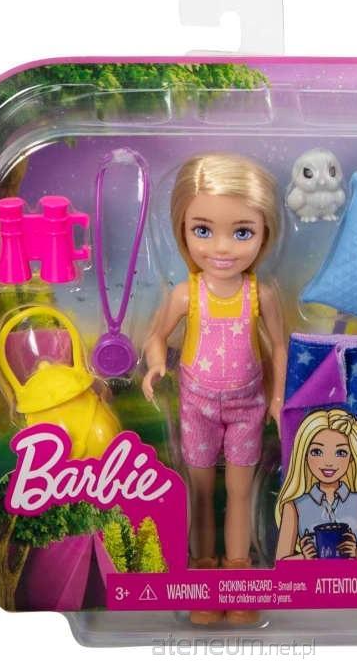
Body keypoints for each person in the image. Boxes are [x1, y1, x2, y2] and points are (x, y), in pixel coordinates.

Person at [142, 153, 286, 624]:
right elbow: (156, 336)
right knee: (200, 491)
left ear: (264, 233)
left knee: (241, 492)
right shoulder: (187, 293)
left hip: (248, 406)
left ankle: (238, 577)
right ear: (182, 230)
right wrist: (156, 365)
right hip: (197, 405)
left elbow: (280, 347)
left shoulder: (260, 294)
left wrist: (279, 398)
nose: (221, 248)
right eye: (202, 230)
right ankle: (204, 576)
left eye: (242, 232)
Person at [276, 409, 357, 561]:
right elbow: (281, 563)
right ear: (304, 455)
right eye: (317, 452)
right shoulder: (293, 507)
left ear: (352, 457)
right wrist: (303, 558)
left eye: (340, 453)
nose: (329, 462)